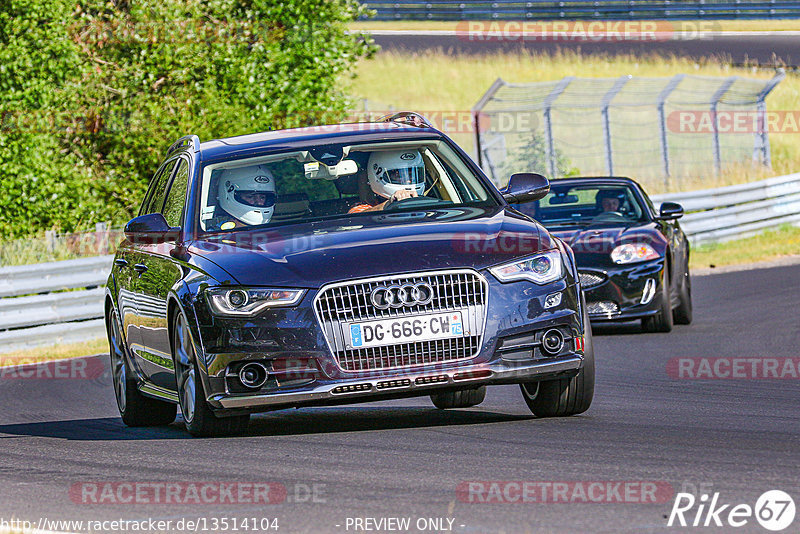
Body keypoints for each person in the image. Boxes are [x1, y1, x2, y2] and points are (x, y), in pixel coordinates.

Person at [348, 150, 426, 214]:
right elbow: (356, 217)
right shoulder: (363, 207)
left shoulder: (428, 203)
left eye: (412, 175)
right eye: (399, 176)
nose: (408, 180)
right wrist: (390, 204)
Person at [214, 165, 277, 230]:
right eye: (250, 197)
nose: (259, 202)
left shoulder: (277, 231)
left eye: (262, 197)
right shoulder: (215, 235)